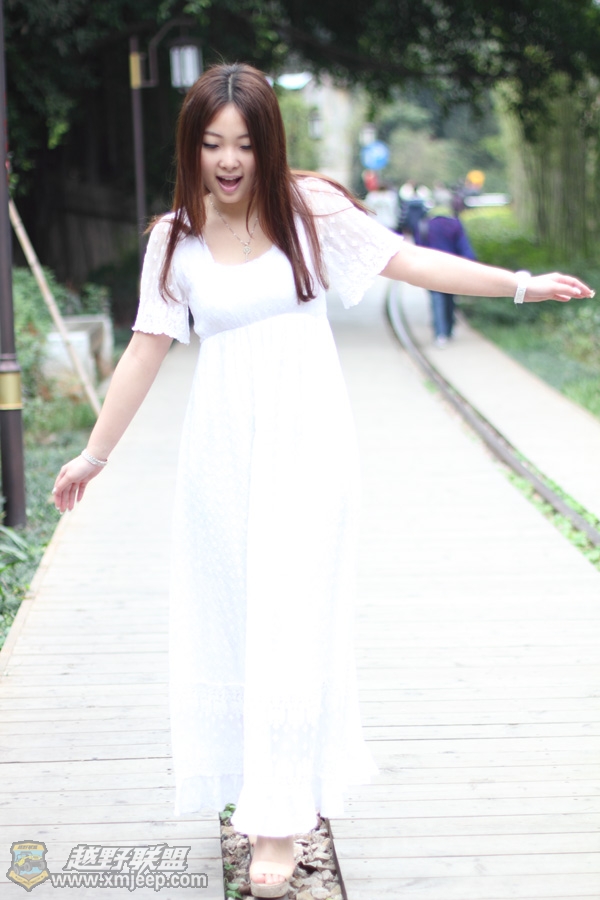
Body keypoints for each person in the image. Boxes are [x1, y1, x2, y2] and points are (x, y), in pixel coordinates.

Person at [52, 63, 593, 899]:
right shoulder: (174, 239)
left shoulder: (310, 213)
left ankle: (278, 820)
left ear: (267, 145)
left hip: (309, 445)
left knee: (292, 618)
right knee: (236, 619)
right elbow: (144, 350)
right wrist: (94, 455)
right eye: (211, 143)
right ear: (190, 148)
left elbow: (409, 263)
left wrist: (518, 285)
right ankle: (255, 780)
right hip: (221, 453)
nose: (228, 161)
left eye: (243, 144)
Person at [416, 205, 477, 346]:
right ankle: (449, 330)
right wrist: (472, 265)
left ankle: (440, 334)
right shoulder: (455, 224)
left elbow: (418, 248)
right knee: (450, 298)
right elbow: (464, 246)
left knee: (436, 300)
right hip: (451, 268)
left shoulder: (424, 224)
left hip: (431, 269)